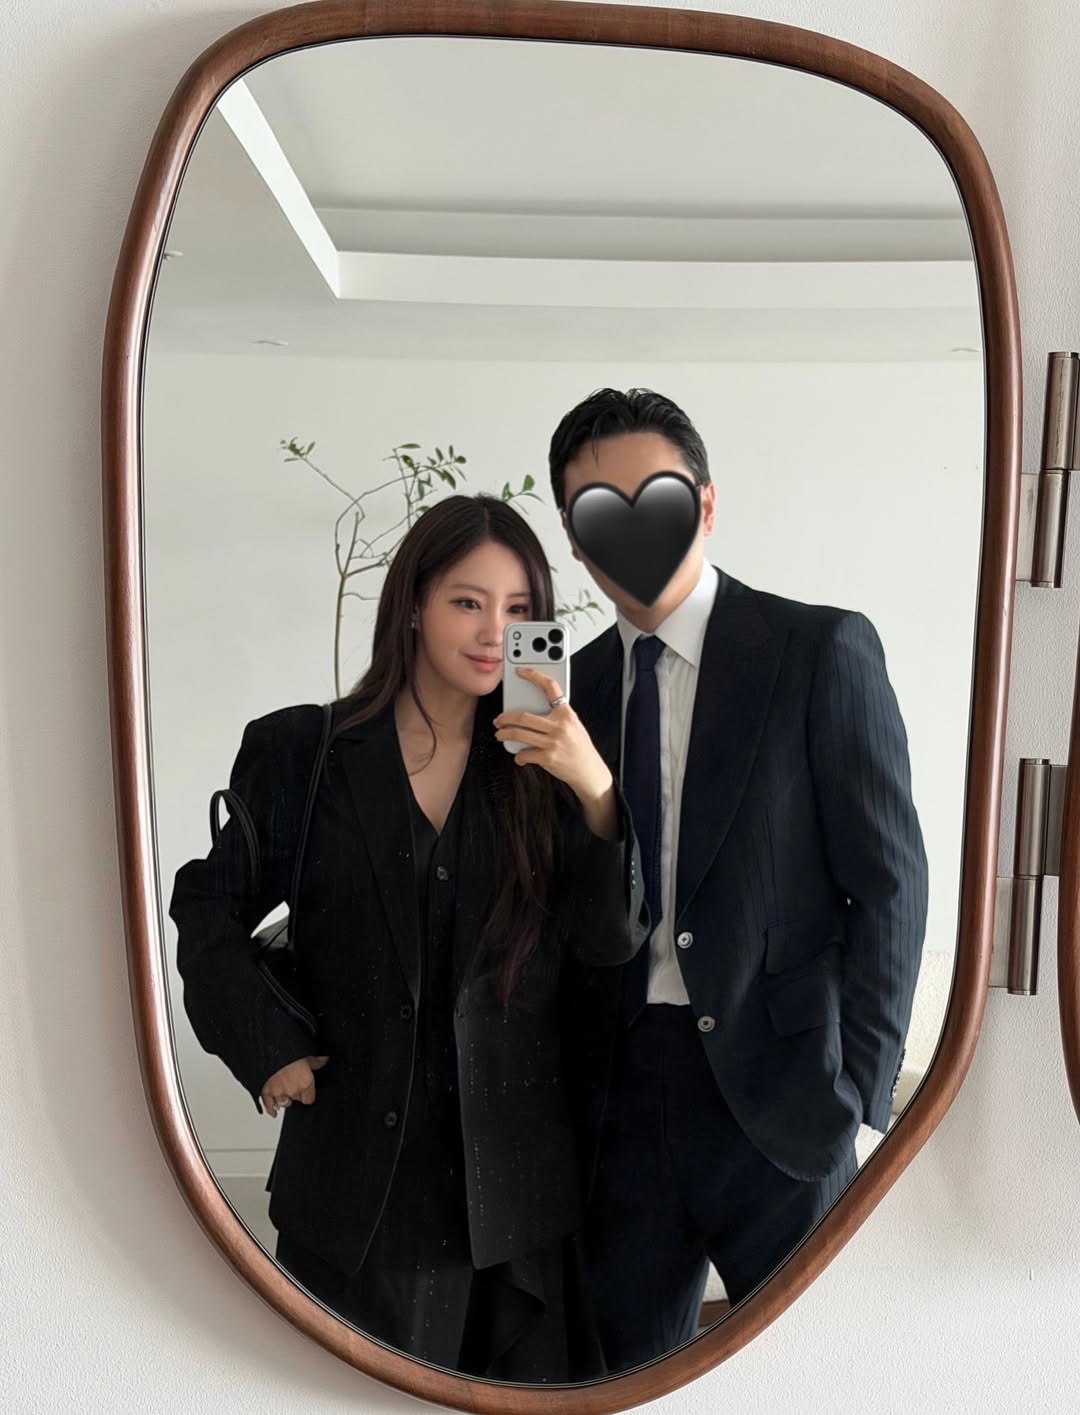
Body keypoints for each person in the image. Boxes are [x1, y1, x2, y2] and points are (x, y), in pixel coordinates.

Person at [169, 493, 648, 1381]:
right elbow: (206, 904)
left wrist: (594, 792)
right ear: (415, 604)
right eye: (468, 601)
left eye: (517, 609)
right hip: (358, 1190)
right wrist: (268, 1043)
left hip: (514, 1201)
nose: (493, 631)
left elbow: (608, 942)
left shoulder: (546, 768)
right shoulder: (305, 751)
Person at [549, 388, 929, 1371]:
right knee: (626, 1380)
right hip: (616, 1105)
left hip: (788, 1095)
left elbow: (890, 881)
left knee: (812, 1375)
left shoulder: (819, 649)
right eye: (600, 511)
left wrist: (860, 1093)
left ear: (707, 505)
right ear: (576, 542)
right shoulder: (569, 691)